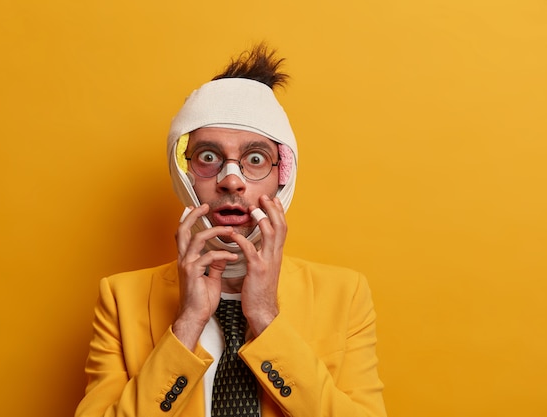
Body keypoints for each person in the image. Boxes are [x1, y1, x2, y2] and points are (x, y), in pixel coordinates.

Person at [75, 44, 386, 417]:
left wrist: (266, 318)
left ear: (282, 177)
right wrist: (187, 323)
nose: (231, 181)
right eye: (208, 157)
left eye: (256, 159)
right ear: (184, 175)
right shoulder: (120, 299)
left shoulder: (344, 296)